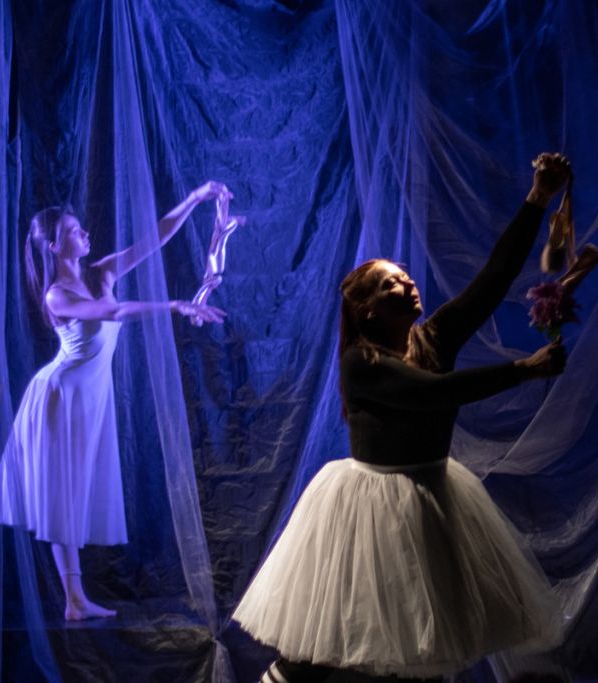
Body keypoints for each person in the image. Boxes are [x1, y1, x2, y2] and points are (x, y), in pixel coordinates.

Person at [232, 154, 574, 682]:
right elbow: (433, 394)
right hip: (367, 507)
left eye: (407, 277)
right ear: (368, 309)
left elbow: (493, 279)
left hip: (431, 494)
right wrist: (523, 369)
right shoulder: (361, 363)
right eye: (392, 283)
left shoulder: (433, 337)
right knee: (318, 649)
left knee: (427, 641)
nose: (409, 284)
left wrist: (538, 199)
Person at [0, 182, 229, 621]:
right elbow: (113, 313)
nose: (85, 234)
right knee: (16, 485)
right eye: (74, 231)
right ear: (55, 247)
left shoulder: (101, 273)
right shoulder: (56, 294)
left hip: (86, 398)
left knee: (60, 492)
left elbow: (152, 240)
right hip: (57, 396)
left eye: (81, 229)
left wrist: (195, 199)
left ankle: (74, 600)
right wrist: (173, 305)